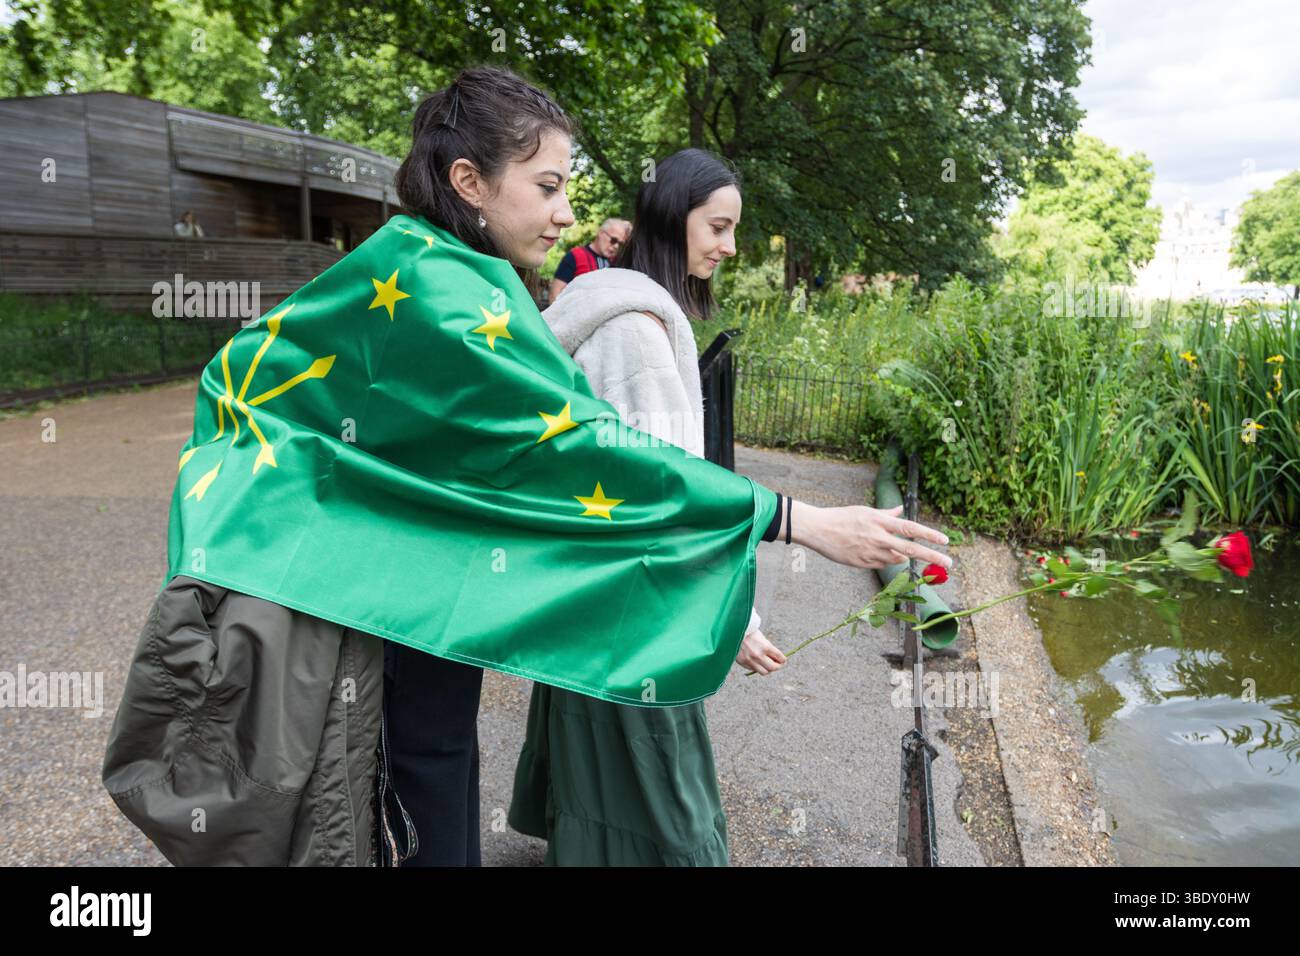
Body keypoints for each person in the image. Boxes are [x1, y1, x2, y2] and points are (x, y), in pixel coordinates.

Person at [102, 64, 953, 868]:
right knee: (421, 778)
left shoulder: (413, 265)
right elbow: (584, 450)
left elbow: (252, 380)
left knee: (395, 780)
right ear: (470, 182)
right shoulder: (454, 296)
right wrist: (797, 519)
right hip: (386, 602)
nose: (567, 213)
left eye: (568, 188)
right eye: (547, 187)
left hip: (378, 581)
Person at [508, 148, 788, 865]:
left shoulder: (610, 308)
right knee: (670, 791)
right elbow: (666, 498)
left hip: (594, 596)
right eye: (719, 227)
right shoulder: (636, 330)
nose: (729, 247)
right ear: (673, 217)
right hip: (635, 612)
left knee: (603, 762)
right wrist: (733, 615)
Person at [548, 217, 629, 302]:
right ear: (601, 233)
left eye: (620, 244)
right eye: (613, 240)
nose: (616, 246)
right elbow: (555, 293)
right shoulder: (575, 256)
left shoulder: (617, 262)